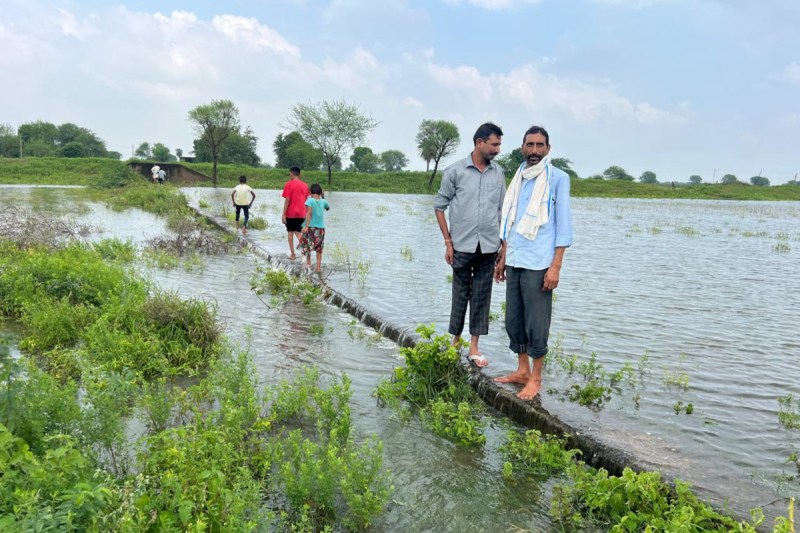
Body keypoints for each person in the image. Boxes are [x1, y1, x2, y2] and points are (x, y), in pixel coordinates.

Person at [493, 125, 573, 400]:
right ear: (522, 148)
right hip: (515, 258)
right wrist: (503, 258)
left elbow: (563, 227)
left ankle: (536, 377)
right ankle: (522, 370)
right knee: (514, 319)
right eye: (530, 145)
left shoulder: (558, 179)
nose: (535, 150)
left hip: (540, 263)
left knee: (537, 323)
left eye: (540, 145)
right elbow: (510, 222)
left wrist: (556, 266)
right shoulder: (519, 178)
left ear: (548, 149)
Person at [433, 122, 506, 368]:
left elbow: (502, 211)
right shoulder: (455, 172)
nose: (497, 149)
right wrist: (447, 241)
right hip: (462, 245)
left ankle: (474, 347)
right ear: (479, 143)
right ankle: (455, 341)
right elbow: (439, 206)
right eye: (494, 144)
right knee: (460, 294)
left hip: (488, 246)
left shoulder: (498, 173)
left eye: (499, 144)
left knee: (482, 297)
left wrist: (503, 247)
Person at [299, 183, 330, 272]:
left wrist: (306, 226)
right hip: (320, 229)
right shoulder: (324, 201)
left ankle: (308, 264)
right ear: (320, 192)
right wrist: (322, 197)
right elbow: (328, 208)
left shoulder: (310, 201)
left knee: (307, 246)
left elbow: (309, 213)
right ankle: (318, 267)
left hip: (311, 228)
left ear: (311, 192)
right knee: (319, 248)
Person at [281, 166, 310, 259]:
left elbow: (287, 200)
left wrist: (283, 214)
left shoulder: (288, 184)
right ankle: (305, 252)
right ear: (300, 174)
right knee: (298, 233)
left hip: (291, 213)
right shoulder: (305, 185)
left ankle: (293, 254)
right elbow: (306, 200)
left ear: (291, 174)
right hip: (302, 213)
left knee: (290, 233)